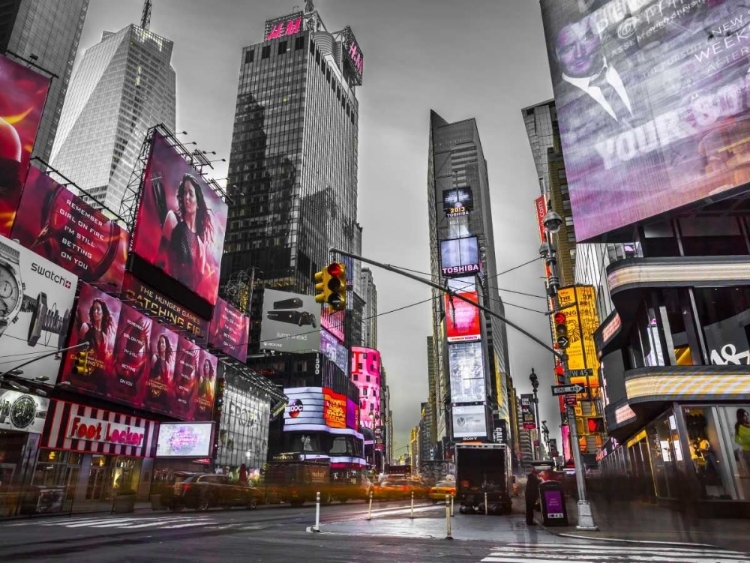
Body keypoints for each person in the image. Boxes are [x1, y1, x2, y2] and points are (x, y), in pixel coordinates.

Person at [156, 173, 214, 291]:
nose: (186, 197)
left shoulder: (201, 246)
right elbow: (159, 259)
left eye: (191, 194)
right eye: (184, 193)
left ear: (198, 203)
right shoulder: (173, 220)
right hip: (163, 289)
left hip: (184, 302)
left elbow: (196, 287)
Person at [78, 299, 116, 383]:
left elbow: (102, 362)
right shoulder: (85, 327)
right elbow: (77, 351)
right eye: (94, 309)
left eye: (98, 309)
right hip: (80, 372)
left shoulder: (105, 337)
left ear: (103, 313)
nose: (95, 312)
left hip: (94, 378)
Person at [143, 333, 174, 408]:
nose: (161, 345)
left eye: (163, 342)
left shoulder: (167, 365)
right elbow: (150, 375)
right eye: (160, 343)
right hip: (151, 394)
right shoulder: (155, 358)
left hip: (161, 399)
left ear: (166, 345)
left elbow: (167, 384)